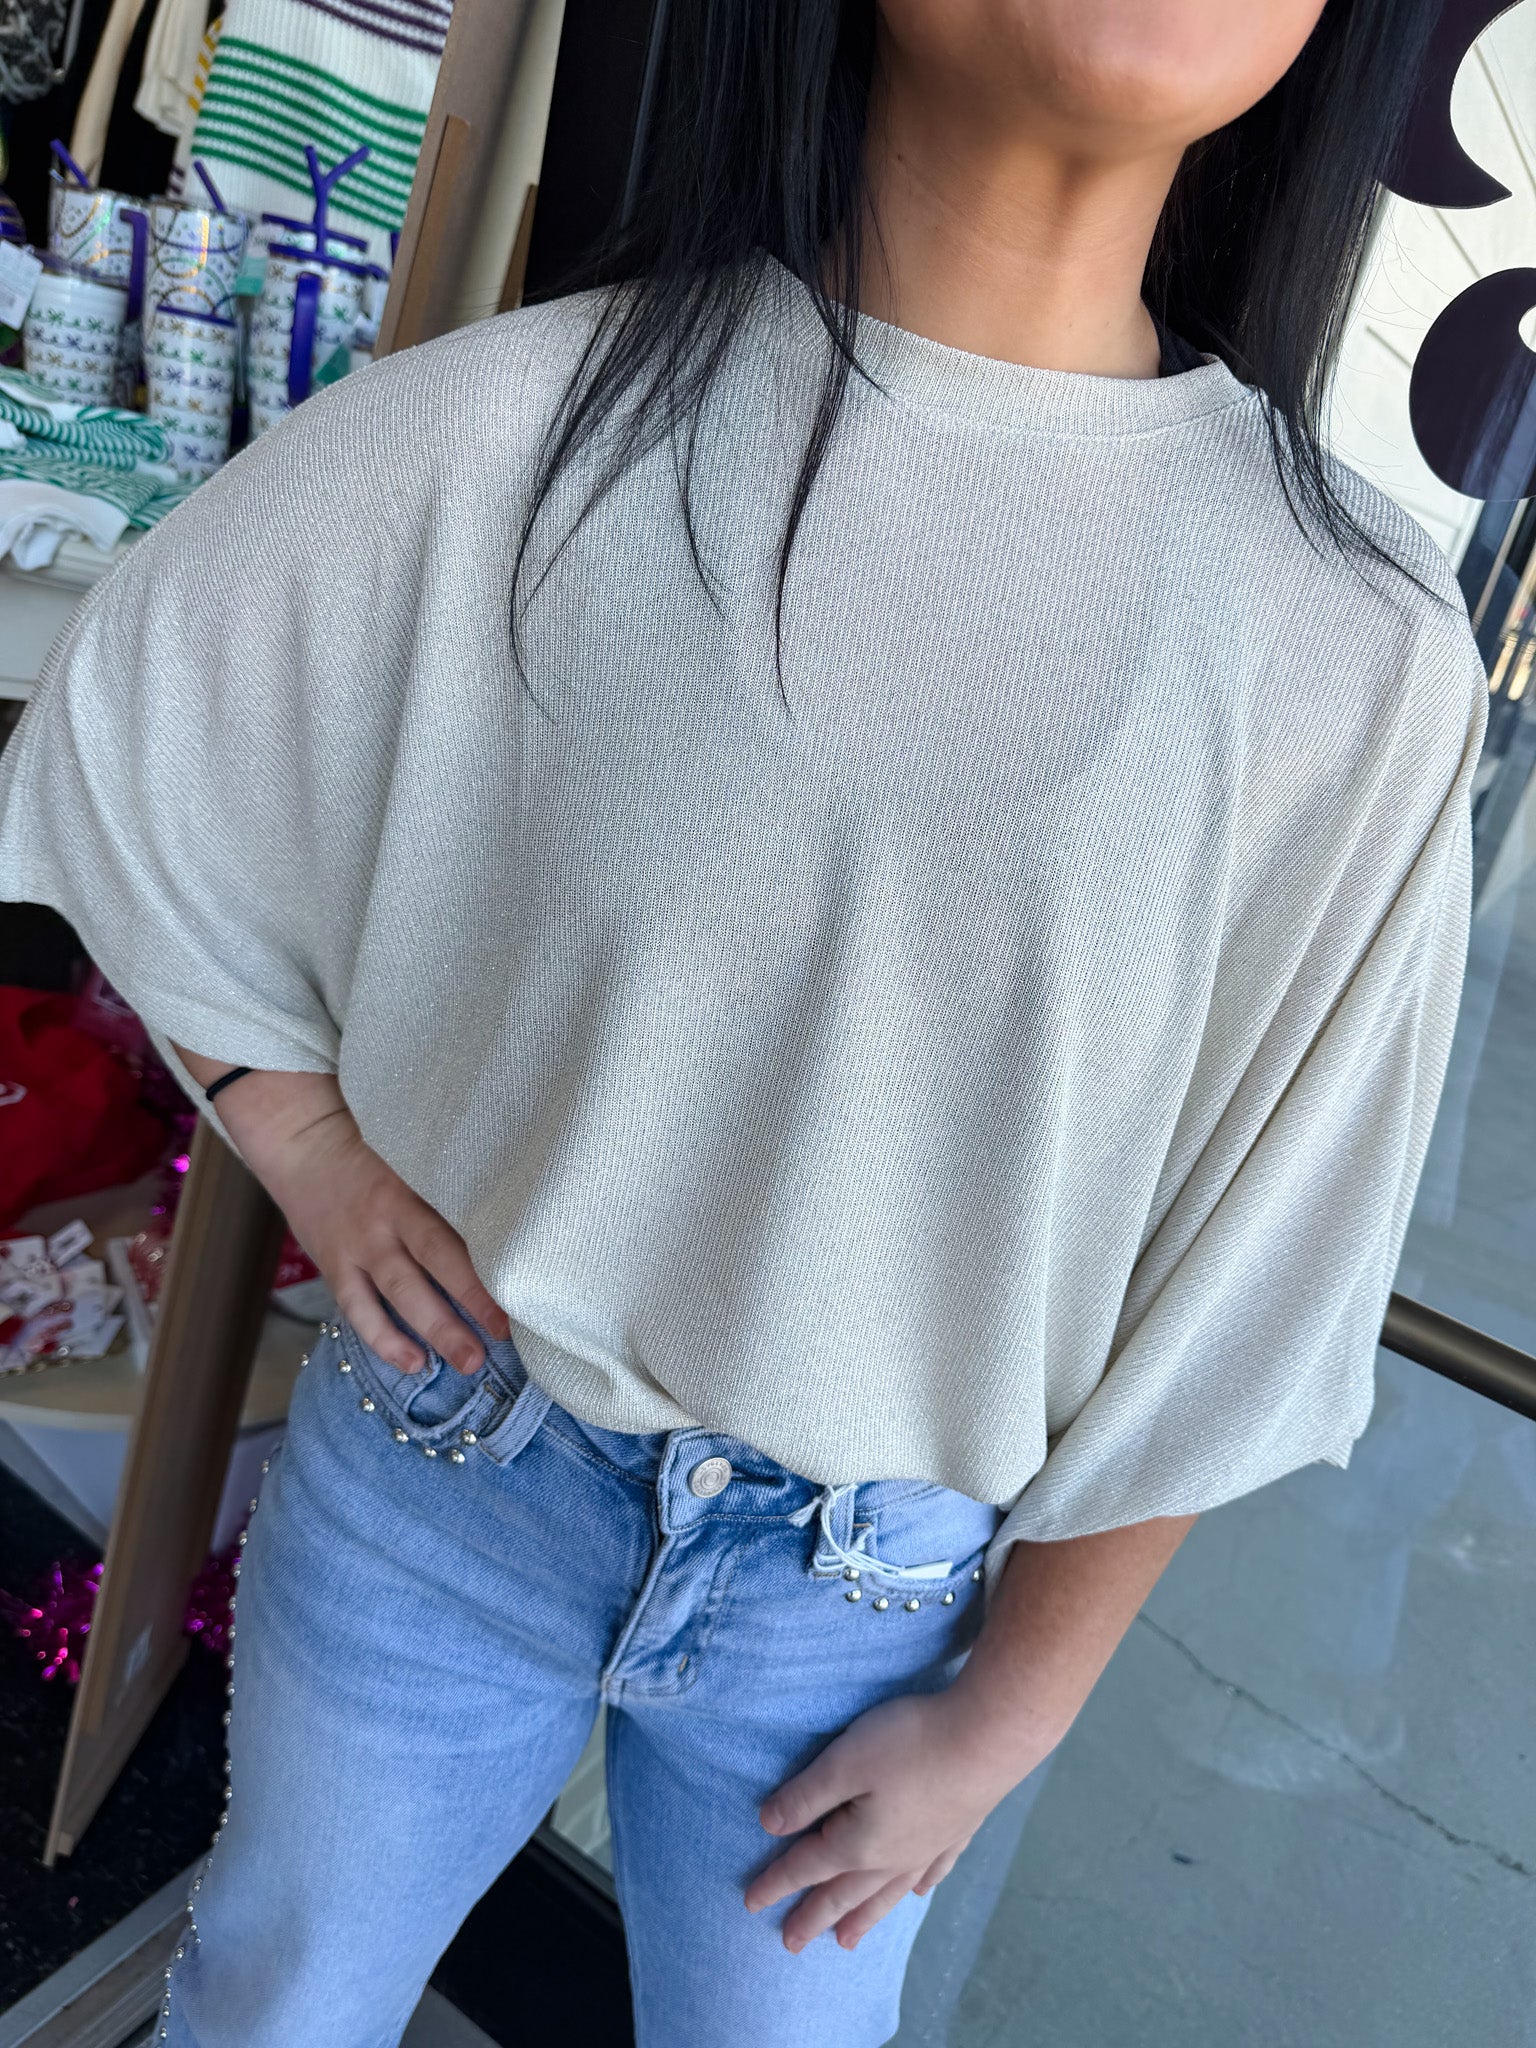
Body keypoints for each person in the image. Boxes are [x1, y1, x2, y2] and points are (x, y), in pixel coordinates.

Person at [0, 1, 1487, 2042]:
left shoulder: (1355, 650)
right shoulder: (522, 425)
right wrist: (303, 1135)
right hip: (451, 1471)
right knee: (277, 2003)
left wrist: (1012, 1713)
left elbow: (1255, 1277)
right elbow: (138, 728)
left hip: (866, 1615)